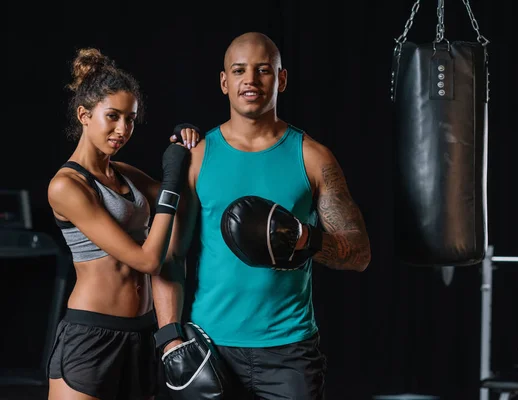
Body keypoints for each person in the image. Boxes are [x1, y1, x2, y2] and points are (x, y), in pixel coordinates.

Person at [155, 31, 372, 400]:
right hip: (211, 347)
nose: (250, 80)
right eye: (239, 70)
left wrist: (304, 238)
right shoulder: (198, 157)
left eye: (263, 70)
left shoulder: (313, 158)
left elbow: (360, 255)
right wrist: (170, 339)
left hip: (290, 351)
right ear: (225, 82)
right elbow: (171, 257)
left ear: (281, 79)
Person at [45, 48, 197, 400]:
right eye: (112, 116)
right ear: (84, 115)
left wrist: (186, 143)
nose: (122, 129)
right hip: (92, 333)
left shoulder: (122, 173)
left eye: (130, 119)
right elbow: (146, 260)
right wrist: (172, 181)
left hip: (141, 332)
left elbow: (182, 194)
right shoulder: (67, 185)